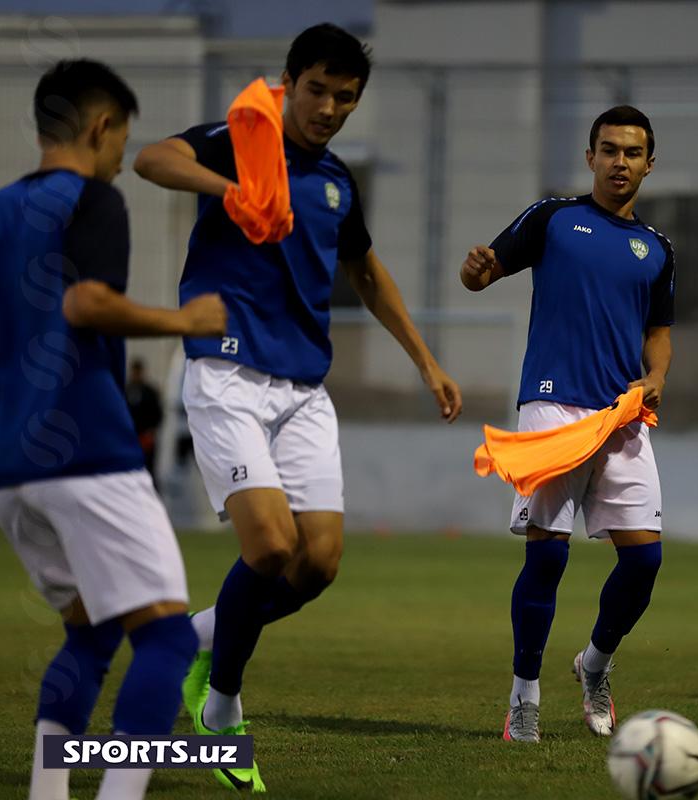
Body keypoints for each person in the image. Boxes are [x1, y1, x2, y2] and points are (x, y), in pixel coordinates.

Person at [134, 23, 462, 790]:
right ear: (290, 81)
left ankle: (197, 639)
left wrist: (427, 362)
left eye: (346, 98)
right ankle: (220, 705)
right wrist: (230, 189)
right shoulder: (241, 141)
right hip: (228, 375)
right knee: (271, 548)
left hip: (304, 390)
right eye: (317, 91)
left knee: (318, 565)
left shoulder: (339, 181)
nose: (329, 108)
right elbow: (153, 159)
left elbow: (370, 276)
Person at [0, 59, 226, 800]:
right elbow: (87, 304)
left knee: (93, 632)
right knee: (161, 637)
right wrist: (184, 320)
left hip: (12, 470)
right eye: (121, 141)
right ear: (100, 127)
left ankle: (46, 790)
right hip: (86, 451)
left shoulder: (2, 211)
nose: (122, 159)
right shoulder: (93, 201)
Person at [461, 105, 675, 742]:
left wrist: (656, 377)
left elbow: (659, 336)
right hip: (552, 405)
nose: (619, 162)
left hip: (621, 413)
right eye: (608, 150)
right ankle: (524, 695)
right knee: (548, 555)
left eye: (632, 153)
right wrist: (475, 272)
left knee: (645, 562)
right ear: (591, 158)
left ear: (648, 164)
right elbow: (483, 272)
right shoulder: (554, 217)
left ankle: (595, 664)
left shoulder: (658, 249)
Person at [125, 358, 163, 483]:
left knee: (148, 470)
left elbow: (158, 414)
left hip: (146, 438)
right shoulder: (125, 390)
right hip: (130, 438)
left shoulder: (150, 392)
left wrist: (150, 432)